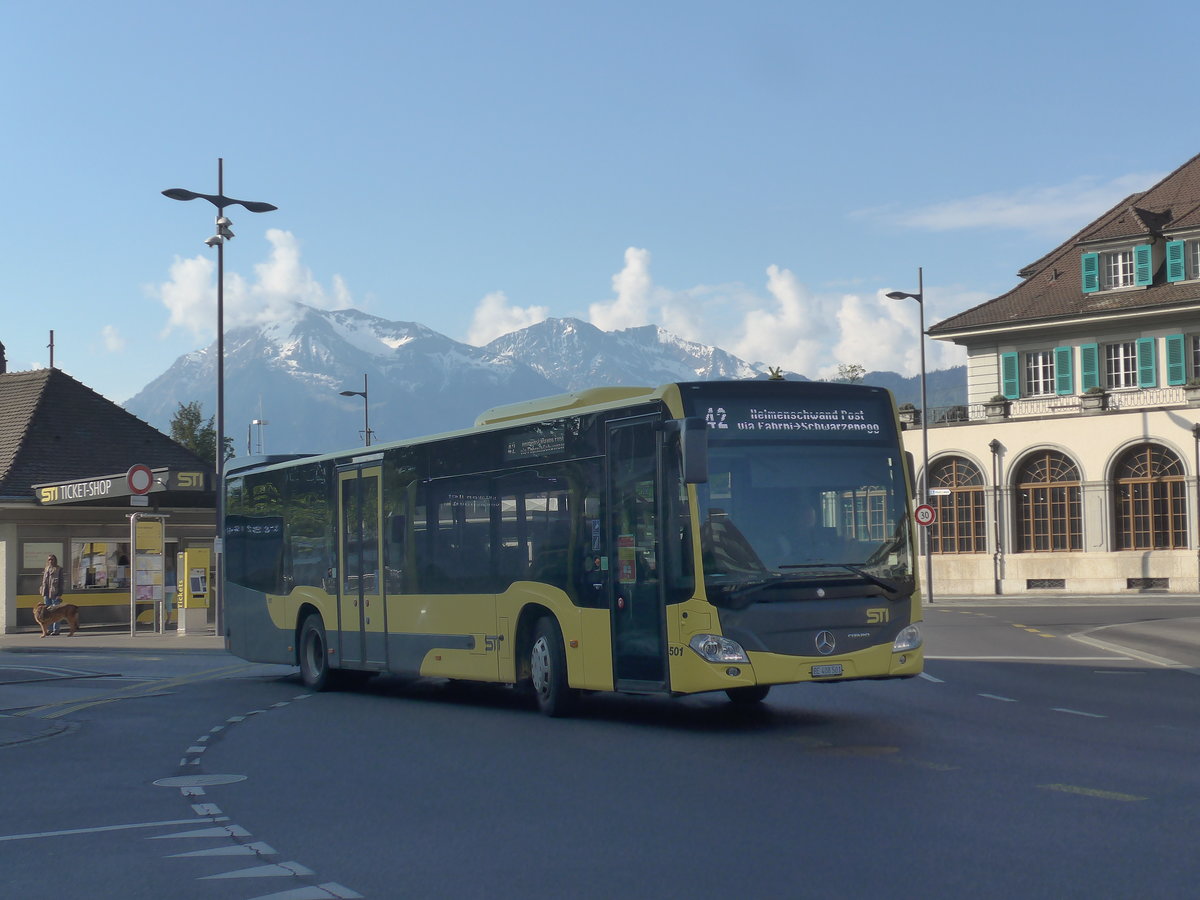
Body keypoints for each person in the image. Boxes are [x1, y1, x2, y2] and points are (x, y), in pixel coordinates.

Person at [40, 555, 65, 635]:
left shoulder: (59, 569)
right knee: (47, 612)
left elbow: (61, 583)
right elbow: (44, 581)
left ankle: (56, 629)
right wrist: (42, 590)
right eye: (49, 559)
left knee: (56, 612)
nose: (51, 561)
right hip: (46, 593)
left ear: (55, 560)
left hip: (55, 593)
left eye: (52, 559)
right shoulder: (46, 569)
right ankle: (49, 629)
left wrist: (59, 594)